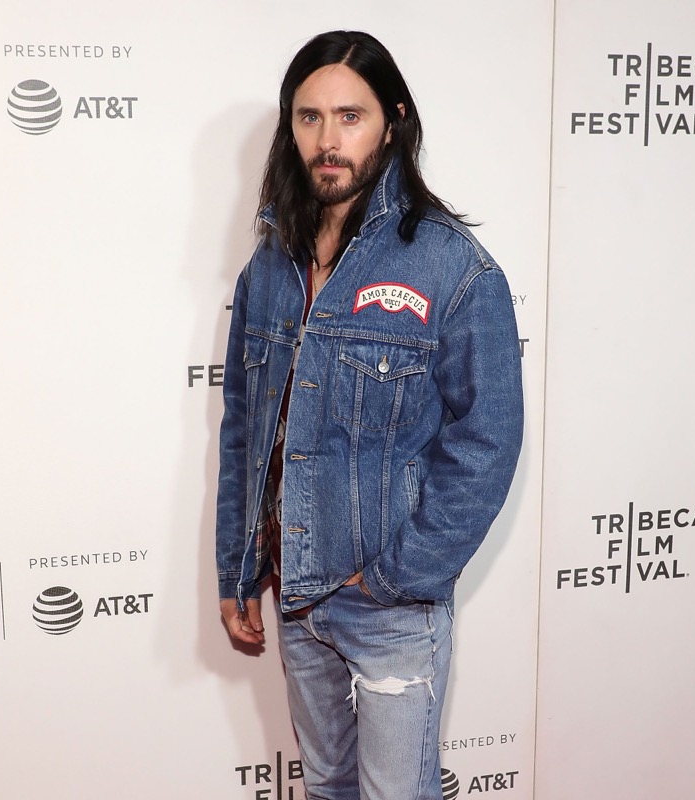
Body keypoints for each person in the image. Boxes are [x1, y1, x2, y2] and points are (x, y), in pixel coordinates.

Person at [216, 30, 523, 800]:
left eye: (349, 116)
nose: (327, 139)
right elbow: (247, 430)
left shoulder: (454, 269)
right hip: (296, 596)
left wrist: (396, 577)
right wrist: (238, 566)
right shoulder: (270, 264)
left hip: (388, 604)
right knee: (324, 787)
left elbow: (486, 444)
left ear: (393, 120)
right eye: (309, 117)